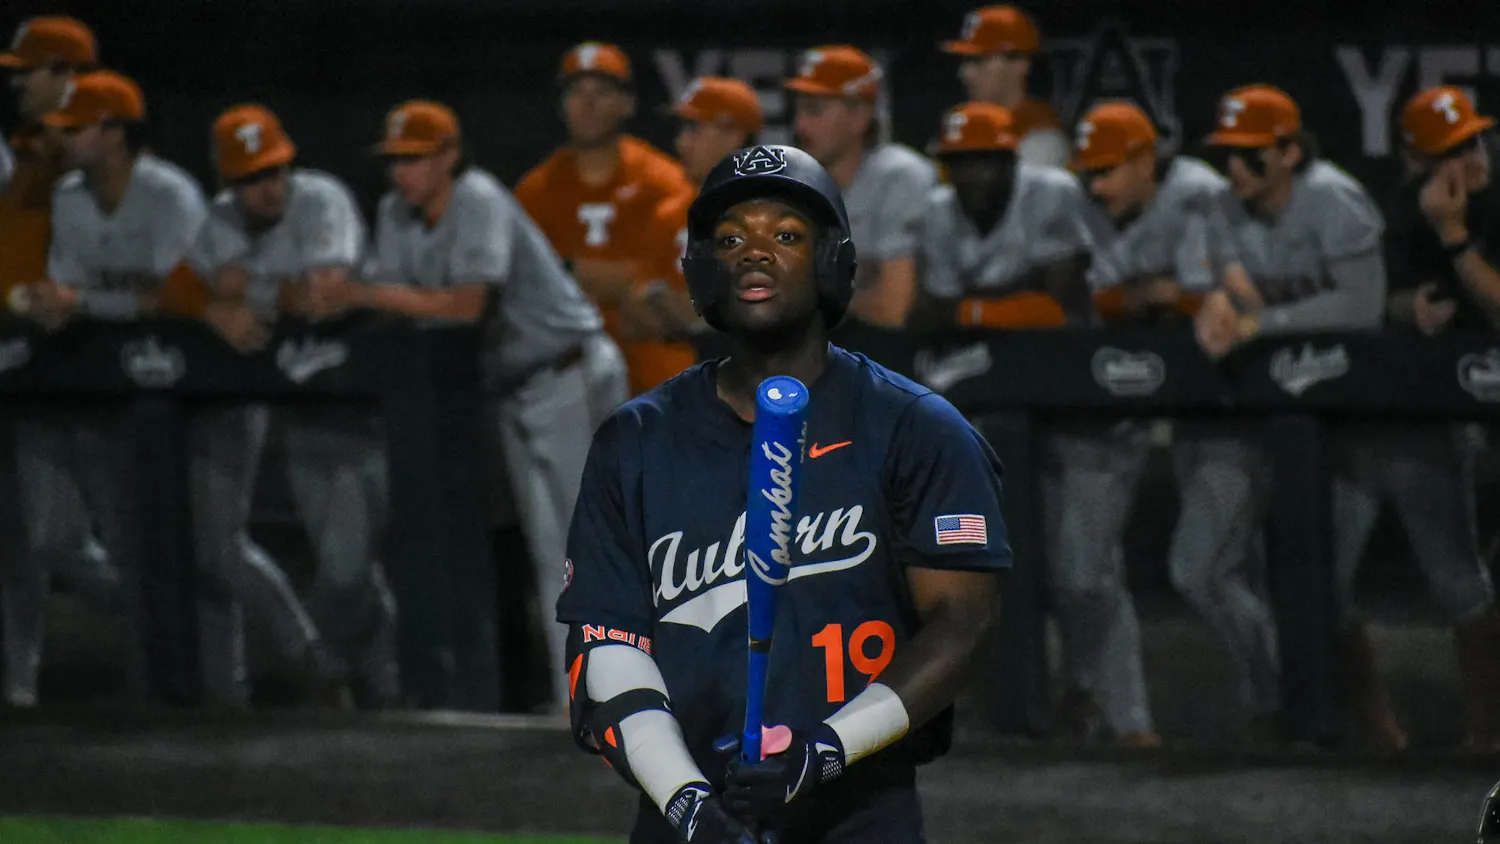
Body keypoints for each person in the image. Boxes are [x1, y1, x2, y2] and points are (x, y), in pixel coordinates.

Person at [558, 144, 1008, 844]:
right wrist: (686, 803)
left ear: (832, 261)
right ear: (703, 270)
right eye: (731, 238)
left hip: (860, 813)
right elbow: (606, 646)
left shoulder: (916, 428)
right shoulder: (636, 440)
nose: (755, 252)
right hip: (682, 815)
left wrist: (823, 752)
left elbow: (963, 622)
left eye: (787, 235)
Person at [309, 100, 626, 711]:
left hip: (569, 373)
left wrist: (364, 291)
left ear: (450, 156)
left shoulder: (477, 196)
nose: (402, 173)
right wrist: (336, 296)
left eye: (415, 159)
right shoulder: (394, 214)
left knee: (589, 546)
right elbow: (393, 302)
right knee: (545, 551)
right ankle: (577, 701)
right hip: (513, 389)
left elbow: (464, 307)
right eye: (394, 160)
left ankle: (627, 693)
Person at [910, 102, 1158, 747]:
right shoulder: (938, 214)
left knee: (1085, 574)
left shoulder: (1051, 194)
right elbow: (928, 313)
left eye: (985, 161)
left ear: (1009, 160)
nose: (972, 176)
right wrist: (1002, 304)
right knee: (1002, 568)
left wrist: (975, 309)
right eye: (959, 163)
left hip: (1095, 407)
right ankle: (1064, 706)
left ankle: (1128, 722)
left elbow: (1062, 309)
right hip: (1008, 416)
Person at [4, 71, 206, 708]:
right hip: (100, 389)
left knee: (193, 548)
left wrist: (84, 301)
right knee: (61, 539)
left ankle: (195, 678)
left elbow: (182, 298)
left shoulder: (170, 193)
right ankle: (165, 668)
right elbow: (71, 294)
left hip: (183, 394)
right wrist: (50, 304)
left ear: (115, 134)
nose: (61, 140)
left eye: (76, 129)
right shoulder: (67, 195)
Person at [1194, 84, 1386, 745]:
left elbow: (1362, 306)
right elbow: (1230, 287)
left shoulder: (1332, 196)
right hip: (1277, 413)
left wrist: (1258, 322)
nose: (1235, 169)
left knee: (1330, 585)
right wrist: (1223, 307)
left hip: (1356, 412)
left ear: (1289, 152)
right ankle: (1294, 710)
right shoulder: (1226, 204)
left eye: (1250, 155)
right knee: (1248, 571)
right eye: (1228, 155)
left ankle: (1374, 720)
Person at [189, 103, 397, 708]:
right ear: (229, 182)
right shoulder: (220, 219)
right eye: (254, 176)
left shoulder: (321, 198)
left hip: (361, 400)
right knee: (343, 570)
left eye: (276, 170)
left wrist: (245, 289)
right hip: (305, 410)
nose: (270, 186)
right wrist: (215, 304)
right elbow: (198, 285)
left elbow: (325, 297)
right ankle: (379, 683)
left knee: (348, 571)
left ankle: (355, 670)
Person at [1353, 85, 1499, 752]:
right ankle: (1390, 735)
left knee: (1470, 580)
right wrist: (1399, 306)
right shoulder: (1396, 212)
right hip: (1436, 420)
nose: (1470, 156)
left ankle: (1485, 737)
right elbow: (1367, 297)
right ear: (1415, 159)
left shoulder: (1480, 206)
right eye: (1450, 150)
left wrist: (1456, 237)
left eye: (1473, 140)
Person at [515, 41, 691, 382]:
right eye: (576, 92)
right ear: (562, 105)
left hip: (654, 364)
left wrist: (579, 275)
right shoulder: (535, 191)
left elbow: (678, 286)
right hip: (566, 370)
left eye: (602, 92)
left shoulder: (664, 181)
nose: (588, 104)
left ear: (627, 103)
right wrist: (624, 279)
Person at [624, 77, 763, 395]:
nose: (681, 144)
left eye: (694, 129)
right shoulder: (669, 213)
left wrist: (677, 310)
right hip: (667, 397)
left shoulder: (770, 215)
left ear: (735, 136)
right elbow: (633, 317)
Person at [785, 45, 938, 327]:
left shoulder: (899, 176)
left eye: (815, 110)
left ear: (859, 118)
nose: (801, 125)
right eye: (800, 110)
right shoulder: (801, 185)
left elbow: (894, 308)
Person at [940, 5, 1068, 168]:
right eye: (965, 61)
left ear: (1021, 64)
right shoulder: (958, 123)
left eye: (978, 60)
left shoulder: (1040, 134)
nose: (965, 73)